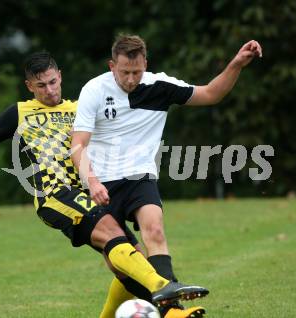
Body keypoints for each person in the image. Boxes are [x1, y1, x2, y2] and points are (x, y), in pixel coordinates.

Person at [0, 51, 203, 318]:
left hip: (88, 192)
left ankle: (162, 301)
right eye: (41, 85)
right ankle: (165, 293)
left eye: (53, 82)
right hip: (54, 194)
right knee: (120, 244)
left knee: (132, 263)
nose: (49, 90)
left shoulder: (79, 108)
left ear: (61, 77)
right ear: (29, 86)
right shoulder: (19, 113)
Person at [71, 34, 262, 316]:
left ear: (145, 64)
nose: (131, 79)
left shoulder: (159, 85)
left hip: (139, 177)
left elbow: (211, 93)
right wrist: (93, 181)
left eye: (137, 71)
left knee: (155, 229)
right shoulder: (94, 90)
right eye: (124, 72)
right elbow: (78, 145)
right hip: (102, 182)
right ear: (112, 66)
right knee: (123, 265)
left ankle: (173, 311)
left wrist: (236, 64)